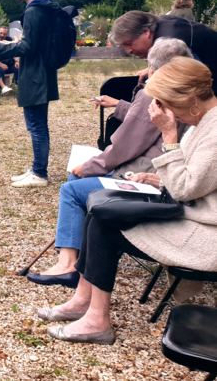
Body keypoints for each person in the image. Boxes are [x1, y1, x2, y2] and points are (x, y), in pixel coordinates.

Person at [40, 57, 217, 345]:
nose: (166, 113)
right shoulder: (203, 122)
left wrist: (169, 134)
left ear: (192, 100)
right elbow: (197, 182)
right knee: (99, 211)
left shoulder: (213, 131)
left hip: (206, 234)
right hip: (191, 215)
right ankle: (83, 301)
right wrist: (154, 179)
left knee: (105, 225)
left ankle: (96, 320)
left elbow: (186, 187)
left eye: (167, 104)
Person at [26, 38, 192, 287]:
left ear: (155, 68)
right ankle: (83, 256)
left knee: (71, 188)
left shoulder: (154, 93)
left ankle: (69, 265)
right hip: (164, 173)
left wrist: (90, 166)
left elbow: (127, 145)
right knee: (79, 180)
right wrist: (123, 105)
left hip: (150, 176)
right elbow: (146, 125)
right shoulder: (189, 90)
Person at [0, 0, 62, 187]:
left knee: (36, 126)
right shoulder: (47, 8)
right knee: (39, 123)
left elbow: (27, 47)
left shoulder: (33, 11)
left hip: (34, 74)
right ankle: (36, 168)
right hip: (44, 71)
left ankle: (39, 174)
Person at [109, 10, 217, 95]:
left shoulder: (169, 44)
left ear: (146, 32)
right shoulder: (161, 24)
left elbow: (185, 87)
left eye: (129, 43)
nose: (128, 51)